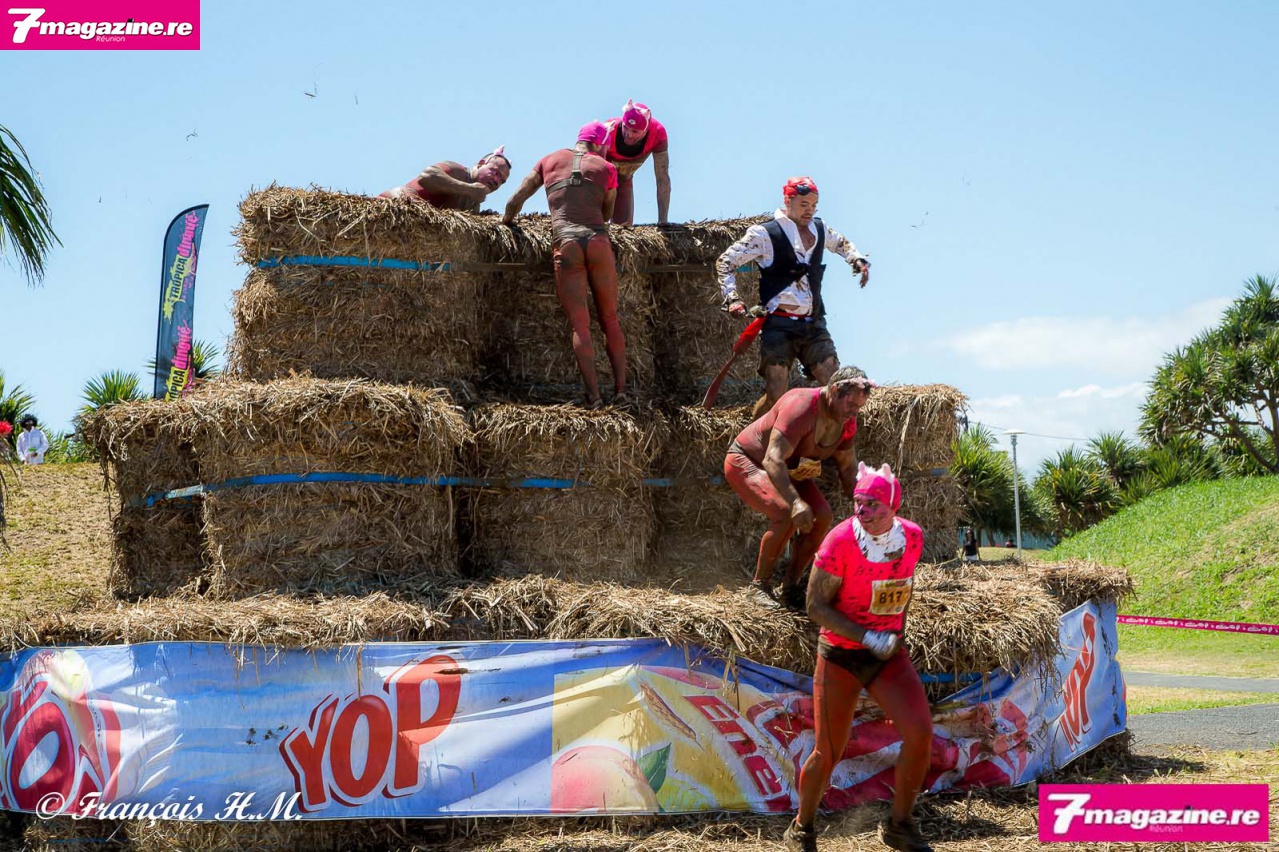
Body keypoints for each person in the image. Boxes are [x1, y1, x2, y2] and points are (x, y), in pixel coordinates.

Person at [784, 462, 934, 852]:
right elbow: (815, 606)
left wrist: (896, 633)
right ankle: (802, 828)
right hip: (841, 655)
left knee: (920, 733)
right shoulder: (839, 541)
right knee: (828, 751)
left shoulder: (912, 537)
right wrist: (866, 635)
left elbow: (904, 586)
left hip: (886, 654)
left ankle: (900, 825)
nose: (862, 512)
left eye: (872, 505)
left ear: (894, 507)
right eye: (858, 503)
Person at [716, 177, 871, 418]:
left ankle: (830, 440)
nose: (810, 210)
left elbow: (841, 243)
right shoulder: (765, 234)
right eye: (804, 204)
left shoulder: (820, 229)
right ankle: (754, 432)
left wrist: (858, 261)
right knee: (777, 394)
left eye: (814, 205)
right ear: (788, 201)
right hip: (778, 324)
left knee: (836, 386)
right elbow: (725, 262)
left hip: (813, 323)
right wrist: (732, 298)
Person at [724, 366, 875, 609]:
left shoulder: (847, 424)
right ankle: (758, 586)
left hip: (788, 470)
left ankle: (790, 587)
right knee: (785, 513)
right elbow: (772, 459)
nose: (853, 412)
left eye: (858, 407)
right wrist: (795, 503)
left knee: (822, 516)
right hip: (749, 461)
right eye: (850, 405)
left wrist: (866, 508)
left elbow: (848, 470)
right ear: (834, 391)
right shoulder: (801, 406)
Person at [502, 122, 628, 408]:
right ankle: (621, 392)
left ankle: (594, 397)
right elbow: (606, 213)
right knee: (610, 318)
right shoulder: (607, 168)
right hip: (597, 242)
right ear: (599, 144)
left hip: (566, 242)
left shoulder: (548, 160)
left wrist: (505, 224)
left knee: (580, 326)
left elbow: (514, 201)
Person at [378, 146, 511, 212]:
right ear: (481, 164)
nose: (497, 181)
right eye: (495, 172)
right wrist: (469, 189)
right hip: (393, 208)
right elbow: (426, 176)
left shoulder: (474, 205)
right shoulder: (458, 172)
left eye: (502, 181)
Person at [601, 100, 670, 225]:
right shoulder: (608, 130)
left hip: (624, 180)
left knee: (623, 226)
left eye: (635, 132)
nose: (628, 134)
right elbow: (589, 167)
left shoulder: (657, 134)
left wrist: (663, 220)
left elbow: (662, 178)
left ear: (646, 130)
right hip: (602, 180)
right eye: (625, 128)